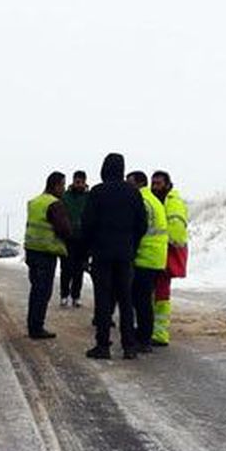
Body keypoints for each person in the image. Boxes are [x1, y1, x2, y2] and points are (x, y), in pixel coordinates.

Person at [80, 153, 148, 359]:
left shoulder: (97, 192)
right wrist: (132, 245)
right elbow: (142, 225)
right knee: (126, 299)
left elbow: (87, 224)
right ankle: (129, 346)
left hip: (102, 254)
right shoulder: (133, 193)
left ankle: (103, 345)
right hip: (125, 254)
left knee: (103, 300)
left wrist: (88, 250)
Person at [23, 171, 74, 339]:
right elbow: (64, 229)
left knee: (36, 289)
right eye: (63, 186)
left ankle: (33, 325)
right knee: (43, 291)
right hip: (46, 253)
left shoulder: (34, 202)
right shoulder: (54, 204)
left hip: (31, 251)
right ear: (57, 185)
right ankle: (37, 328)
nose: (64, 189)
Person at [128, 171, 168, 353]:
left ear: (138, 183)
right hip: (155, 257)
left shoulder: (142, 201)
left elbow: (137, 229)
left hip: (145, 256)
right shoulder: (153, 200)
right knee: (144, 299)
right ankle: (143, 335)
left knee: (142, 300)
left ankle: (143, 339)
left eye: (130, 183)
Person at [150, 171, 189, 346]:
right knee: (156, 293)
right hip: (158, 253)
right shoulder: (161, 200)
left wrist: (165, 247)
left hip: (165, 254)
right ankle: (154, 329)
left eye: (158, 183)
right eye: (153, 183)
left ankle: (159, 333)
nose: (155, 186)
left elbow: (176, 232)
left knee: (161, 294)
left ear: (167, 184)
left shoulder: (172, 202)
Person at [59, 170, 90, 308]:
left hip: (83, 240)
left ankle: (76, 296)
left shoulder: (89, 197)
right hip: (67, 239)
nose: (79, 184)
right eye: (77, 181)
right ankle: (64, 295)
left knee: (79, 270)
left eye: (81, 182)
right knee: (66, 269)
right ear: (73, 181)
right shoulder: (65, 197)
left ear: (85, 182)